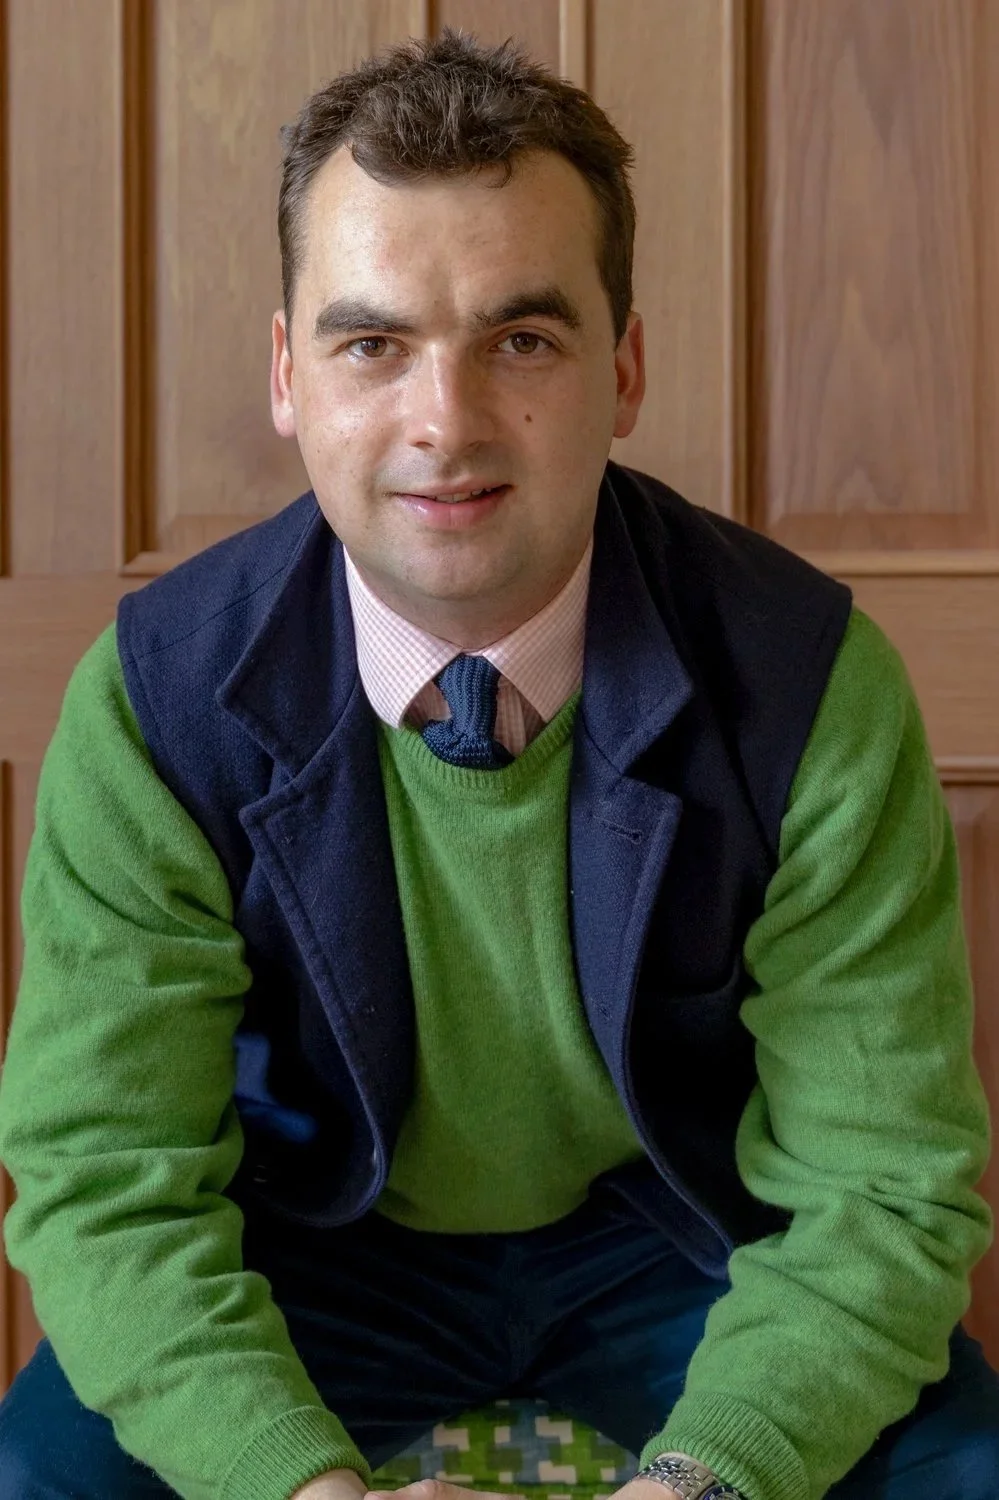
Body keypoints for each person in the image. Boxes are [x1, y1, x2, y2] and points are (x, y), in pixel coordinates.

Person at [0, 27, 995, 1500]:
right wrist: (307, 1493)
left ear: (625, 367)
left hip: (681, 1237)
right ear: (289, 375)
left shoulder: (806, 685)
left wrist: (697, 1485)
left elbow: (880, 1188)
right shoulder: (158, 707)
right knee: (46, 1478)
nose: (445, 426)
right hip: (312, 1248)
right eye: (370, 343)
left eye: (520, 340)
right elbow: (103, 1187)